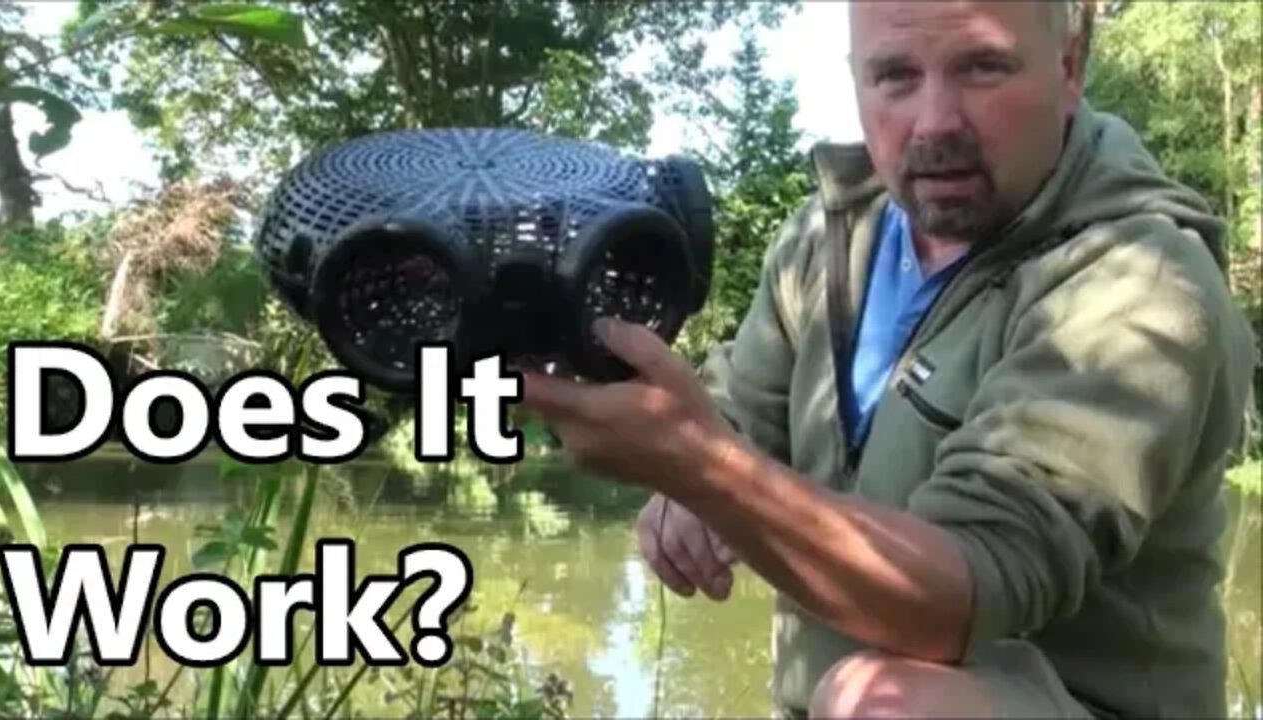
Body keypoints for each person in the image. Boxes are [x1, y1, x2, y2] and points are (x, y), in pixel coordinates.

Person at [519, 1, 1259, 717]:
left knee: (886, 705)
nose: (935, 122)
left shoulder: (1139, 282)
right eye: (895, 76)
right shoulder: (826, 239)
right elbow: (735, 422)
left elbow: (960, 594)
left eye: (982, 67)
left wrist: (703, 470)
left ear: (1069, 65)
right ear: (855, 78)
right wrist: (690, 486)